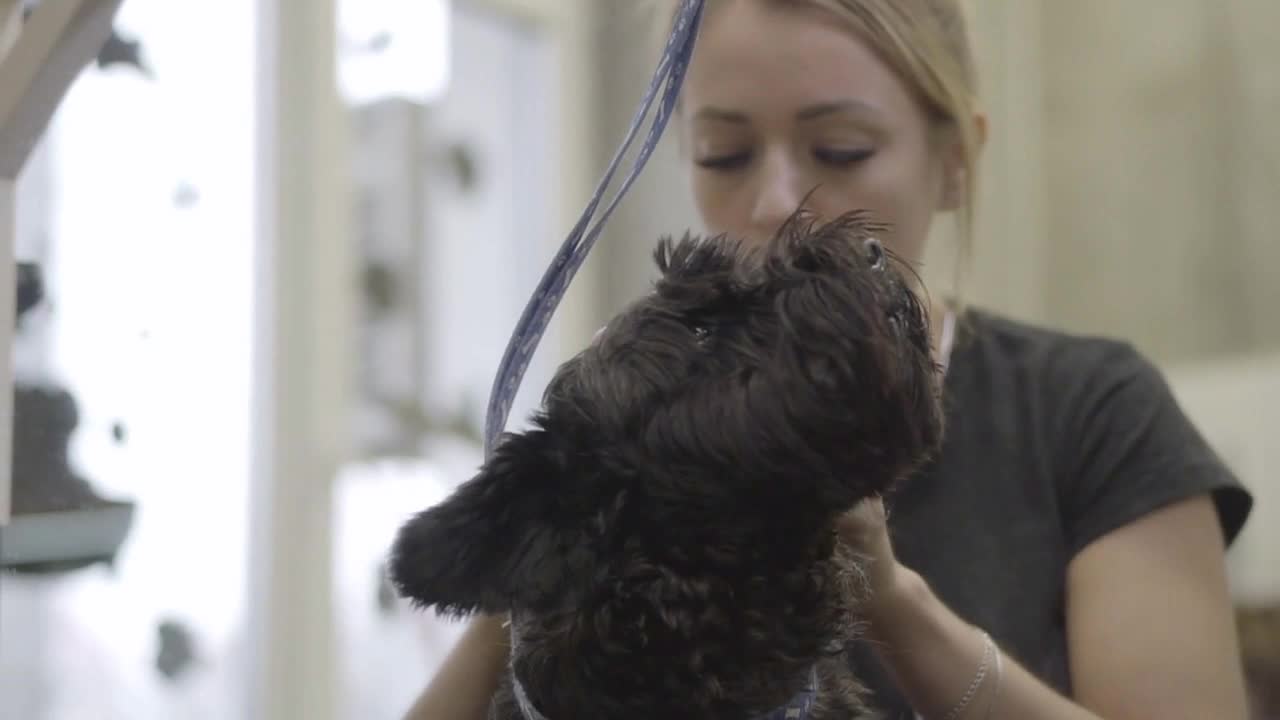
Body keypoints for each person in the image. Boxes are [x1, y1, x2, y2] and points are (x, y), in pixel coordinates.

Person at [403, 1, 1255, 718]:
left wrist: (894, 604)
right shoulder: (649, 435)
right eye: (724, 156)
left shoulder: (1092, 412)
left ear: (955, 160)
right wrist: (544, 554)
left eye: (841, 151)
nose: (776, 200)